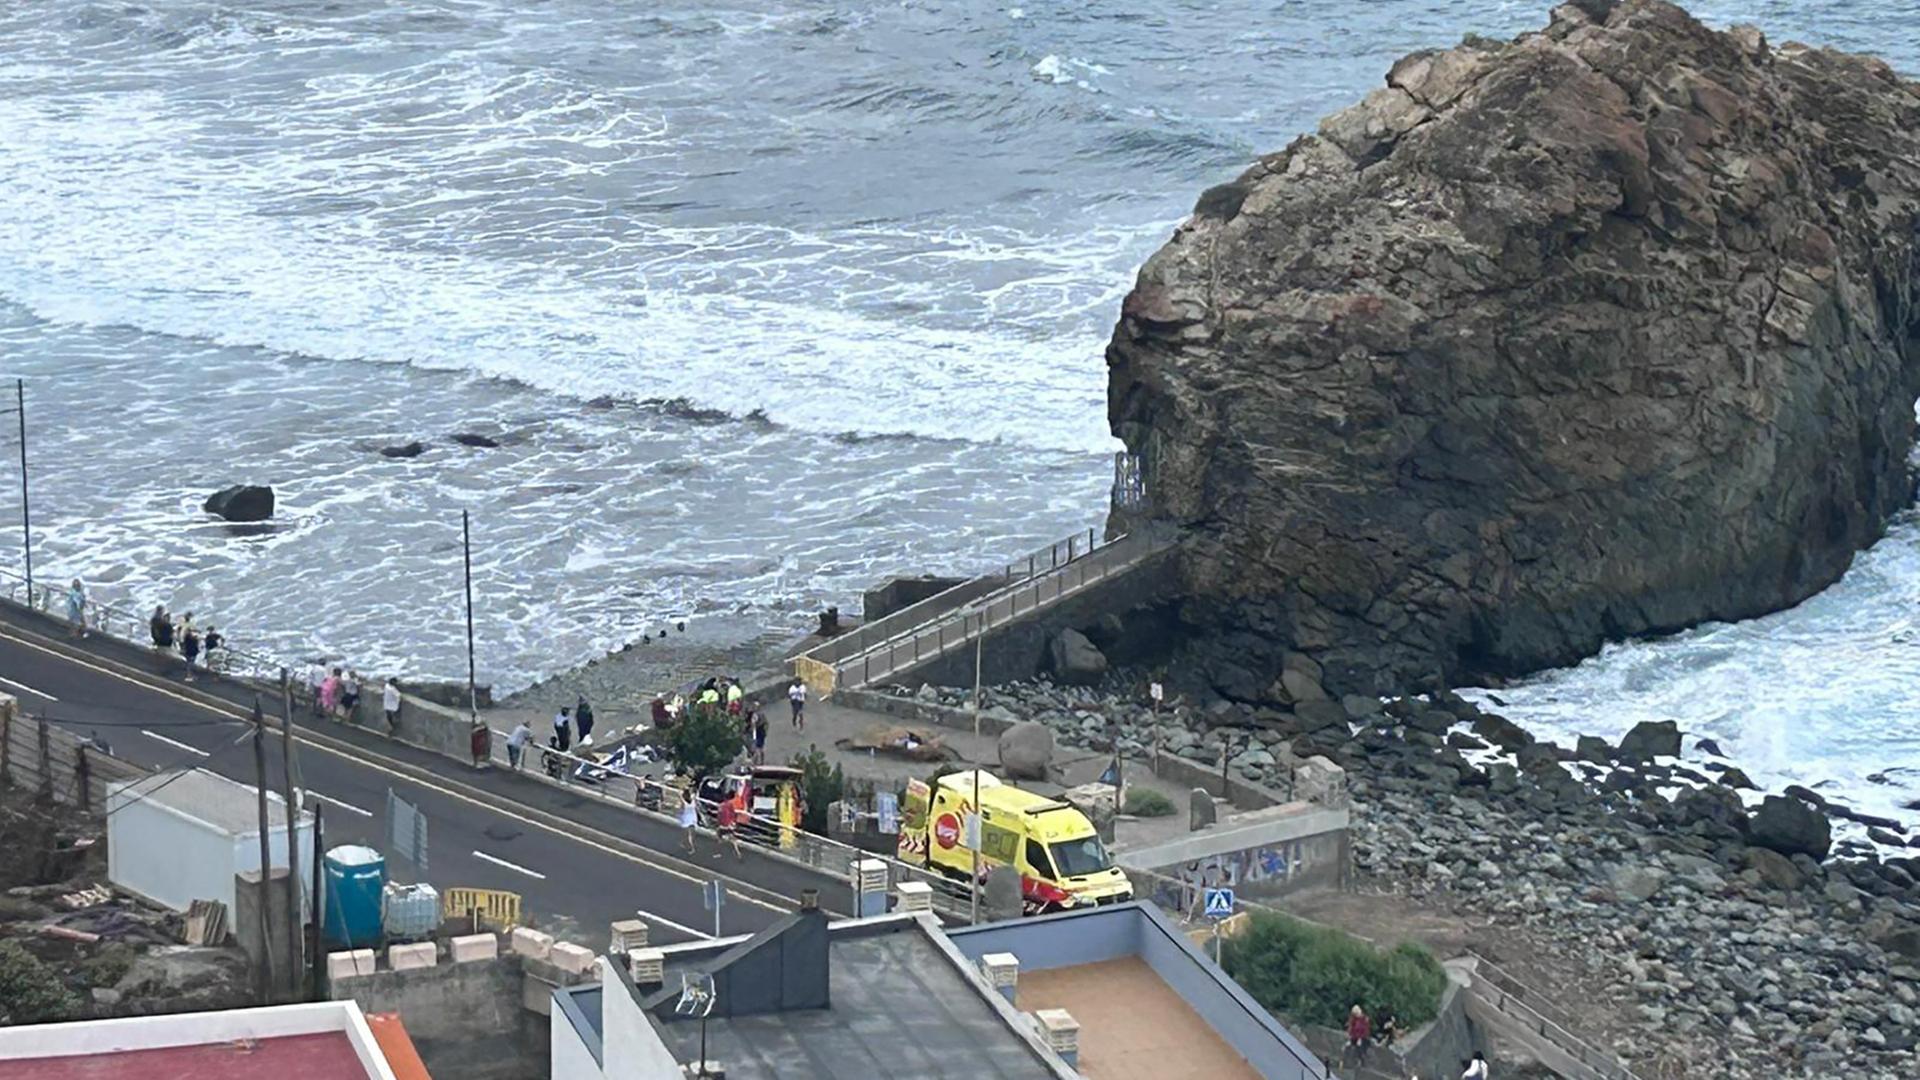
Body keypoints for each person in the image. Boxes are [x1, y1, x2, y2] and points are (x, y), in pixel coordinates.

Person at [714, 786, 743, 859]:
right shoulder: (730, 805)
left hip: (722, 825)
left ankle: (718, 852)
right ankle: (738, 852)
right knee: (733, 839)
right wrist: (733, 822)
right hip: (729, 825)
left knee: (719, 838)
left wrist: (718, 823)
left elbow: (719, 816)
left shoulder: (721, 805)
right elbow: (733, 814)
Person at [678, 786, 698, 855]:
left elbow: (681, 798)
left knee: (687, 834)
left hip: (686, 818)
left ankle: (691, 848)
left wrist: (681, 794)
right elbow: (694, 794)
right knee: (689, 833)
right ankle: (684, 843)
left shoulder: (684, 803)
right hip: (693, 818)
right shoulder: (693, 801)